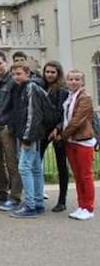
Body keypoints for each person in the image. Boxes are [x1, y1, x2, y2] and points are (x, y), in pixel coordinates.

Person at [8, 63, 46, 219]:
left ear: (27, 73)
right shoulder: (22, 88)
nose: (16, 77)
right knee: (36, 168)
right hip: (31, 133)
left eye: (19, 73)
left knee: (24, 167)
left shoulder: (30, 88)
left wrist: (27, 137)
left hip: (30, 135)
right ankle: (38, 203)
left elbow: (33, 114)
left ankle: (30, 206)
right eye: (14, 74)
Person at [0, 51, 22, 211]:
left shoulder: (13, 81)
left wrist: (12, 125)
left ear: (6, 63)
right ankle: (1, 192)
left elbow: (17, 106)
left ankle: (14, 196)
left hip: (7, 128)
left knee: (11, 163)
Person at [59, 70, 96, 221]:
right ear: (66, 81)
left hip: (82, 141)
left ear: (82, 82)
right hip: (71, 141)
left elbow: (77, 121)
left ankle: (89, 207)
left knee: (86, 175)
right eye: (71, 79)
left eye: (77, 79)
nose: (73, 82)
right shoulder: (70, 97)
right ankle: (81, 205)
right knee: (78, 175)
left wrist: (63, 136)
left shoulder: (85, 98)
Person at [40, 61, 69, 212]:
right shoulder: (42, 87)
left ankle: (62, 200)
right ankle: (37, 198)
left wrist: (58, 128)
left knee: (61, 166)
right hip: (44, 130)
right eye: (47, 72)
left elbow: (64, 112)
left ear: (58, 74)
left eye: (53, 72)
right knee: (36, 163)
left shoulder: (63, 90)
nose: (49, 75)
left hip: (58, 132)